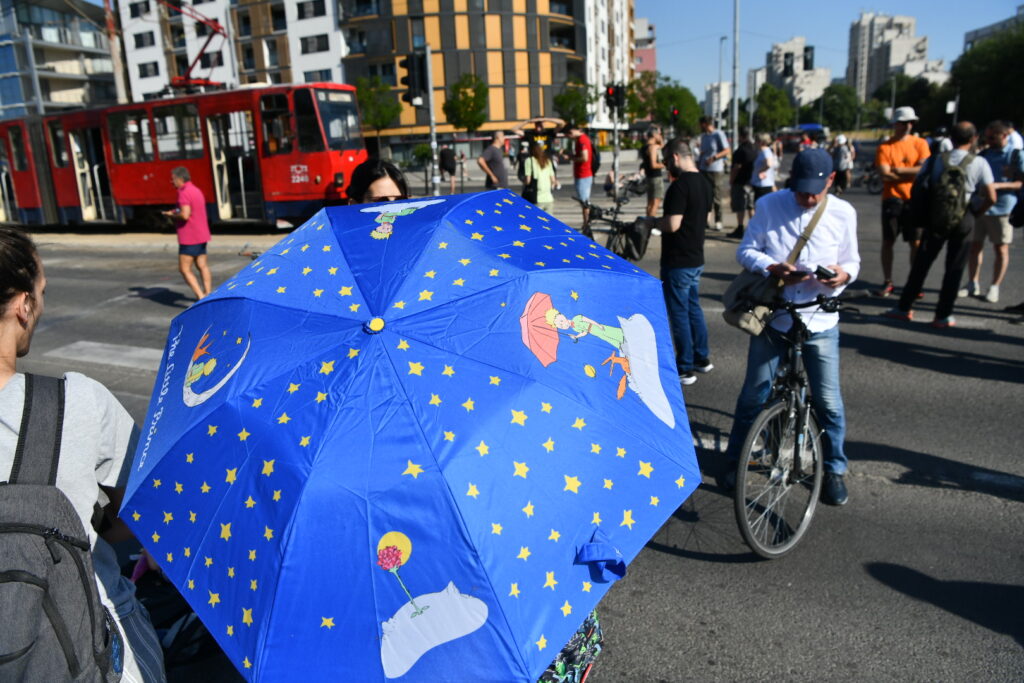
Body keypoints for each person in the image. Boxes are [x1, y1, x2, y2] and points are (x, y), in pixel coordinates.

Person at [0, 227, 166, 682]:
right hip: (90, 649)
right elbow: (147, 507)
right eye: (41, 291)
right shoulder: (75, 404)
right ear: (23, 305)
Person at [722, 149, 860, 506]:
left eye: (814, 190)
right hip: (776, 315)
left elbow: (852, 262)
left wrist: (842, 278)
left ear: (831, 180)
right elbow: (746, 251)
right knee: (754, 393)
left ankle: (833, 469)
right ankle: (735, 460)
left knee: (828, 401)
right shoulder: (770, 205)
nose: (807, 197)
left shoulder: (844, 213)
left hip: (820, 317)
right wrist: (773, 266)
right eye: (800, 190)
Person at [883, 121, 995, 328]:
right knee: (954, 268)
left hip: (935, 217)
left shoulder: (935, 160)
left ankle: (904, 307)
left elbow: (920, 187)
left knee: (922, 263)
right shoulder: (979, 163)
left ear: (950, 139)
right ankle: (943, 315)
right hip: (964, 218)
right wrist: (977, 211)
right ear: (973, 139)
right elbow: (991, 196)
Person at [659, 137, 713, 386]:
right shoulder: (705, 182)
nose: (665, 164)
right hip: (696, 257)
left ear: (676, 157)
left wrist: (650, 222)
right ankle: (702, 358)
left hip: (678, 259)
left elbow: (672, 224)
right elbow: (709, 218)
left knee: (679, 312)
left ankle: (685, 366)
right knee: (693, 308)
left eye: (667, 159)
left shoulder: (679, 187)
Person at [958, 120, 1023, 304]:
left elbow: (1020, 183)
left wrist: (996, 186)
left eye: (992, 137)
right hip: (980, 207)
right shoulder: (984, 154)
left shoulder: (1015, 155)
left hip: (1003, 208)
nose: (989, 140)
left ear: (1004, 136)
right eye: (987, 136)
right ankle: (972, 282)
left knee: (1000, 248)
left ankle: (994, 286)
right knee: (974, 246)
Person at [874, 106, 931, 297]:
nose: (908, 126)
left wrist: (897, 170)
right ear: (896, 124)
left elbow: (924, 170)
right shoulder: (885, 146)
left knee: (915, 242)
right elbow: (884, 174)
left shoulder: (920, 143)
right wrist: (910, 172)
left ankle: (914, 283)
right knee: (888, 241)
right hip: (892, 199)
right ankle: (887, 281)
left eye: (911, 122)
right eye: (904, 122)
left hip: (914, 199)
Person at [162, 167, 212, 301]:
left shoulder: (183, 192)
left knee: (184, 269)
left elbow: (185, 215)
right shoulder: (196, 190)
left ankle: (201, 297)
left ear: (180, 179)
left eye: (173, 179)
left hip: (190, 237)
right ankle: (208, 293)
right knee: (202, 265)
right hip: (202, 235)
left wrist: (171, 215)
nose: (171, 182)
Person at [697, 116, 730, 231]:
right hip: (704, 168)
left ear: (706, 124)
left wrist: (714, 157)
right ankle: (706, 220)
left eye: (701, 124)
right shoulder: (704, 136)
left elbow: (727, 150)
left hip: (715, 169)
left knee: (716, 196)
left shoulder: (718, 134)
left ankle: (718, 220)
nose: (699, 127)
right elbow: (702, 152)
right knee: (705, 196)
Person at [565, 123, 595, 229]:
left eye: (569, 134)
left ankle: (587, 223)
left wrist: (571, 159)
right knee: (584, 200)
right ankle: (586, 222)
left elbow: (585, 157)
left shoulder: (582, 140)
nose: (569, 136)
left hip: (583, 174)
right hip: (583, 174)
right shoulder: (582, 139)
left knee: (584, 201)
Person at [728, 127, 756, 239]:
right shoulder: (755, 149)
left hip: (740, 182)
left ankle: (740, 228)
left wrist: (731, 180)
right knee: (750, 206)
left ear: (741, 136)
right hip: (752, 182)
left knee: (740, 207)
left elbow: (736, 167)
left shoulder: (740, 150)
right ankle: (754, 228)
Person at [522, 141, 559, 213]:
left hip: (536, 198)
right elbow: (553, 180)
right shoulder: (548, 161)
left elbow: (528, 180)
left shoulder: (529, 161)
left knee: (537, 221)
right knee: (548, 221)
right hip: (549, 198)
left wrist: (523, 182)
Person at [642, 126, 665, 218]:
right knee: (655, 203)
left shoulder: (645, 147)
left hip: (649, 177)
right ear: (654, 135)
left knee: (650, 203)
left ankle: (647, 223)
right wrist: (665, 165)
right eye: (659, 134)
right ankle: (651, 224)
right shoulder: (653, 147)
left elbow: (662, 146)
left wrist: (660, 139)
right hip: (656, 177)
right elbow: (654, 165)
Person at [749, 133, 778, 201]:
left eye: (756, 141)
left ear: (761, 142)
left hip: (763, 186)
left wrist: (761, 171)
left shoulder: (765, 151)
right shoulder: (762, 151)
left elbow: (769, 164)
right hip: (760, 185)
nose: (754, 143)